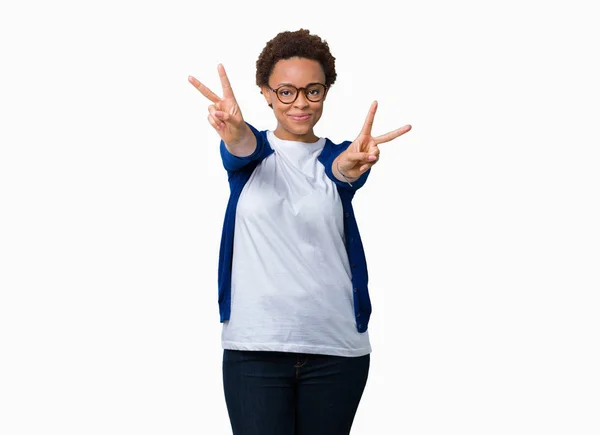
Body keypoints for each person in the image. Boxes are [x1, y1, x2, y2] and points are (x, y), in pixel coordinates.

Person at [188, 29, 411, 435]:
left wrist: (350, 166)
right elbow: (240, 146)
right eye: (286, 92)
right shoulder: (252, 155)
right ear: (266, 93)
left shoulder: (337, 157)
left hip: (336, 350)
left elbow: (344, 173)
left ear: (326, 91)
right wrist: (233, 129)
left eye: (313, 90)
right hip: (255, 350)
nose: (301, 103)